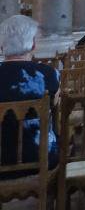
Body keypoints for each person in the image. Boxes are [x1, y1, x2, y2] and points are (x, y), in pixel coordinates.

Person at [0, 15, 60, 174]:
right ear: (33, 44)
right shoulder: (49, 74)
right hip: (41, 159)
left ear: (1, 46)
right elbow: (54, 105)